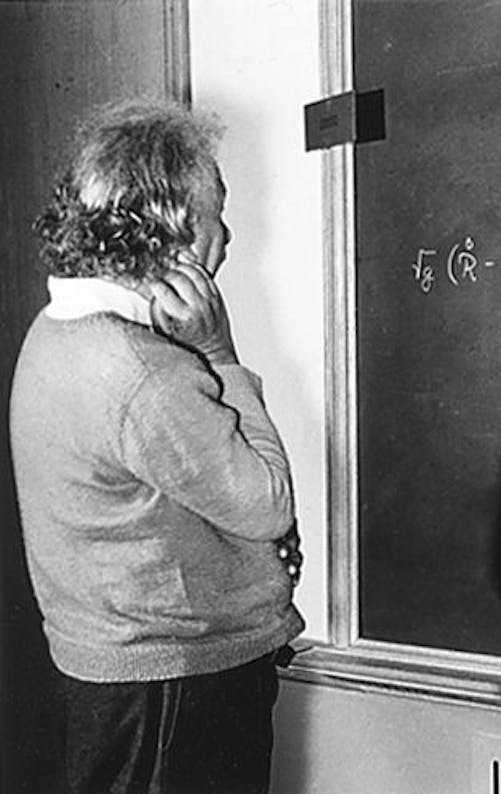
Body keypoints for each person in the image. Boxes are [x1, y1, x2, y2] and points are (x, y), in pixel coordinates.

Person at [9, 100, 304, 794]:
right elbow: (269, 503)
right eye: (216, 214)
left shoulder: (57, 331)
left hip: (123, 684)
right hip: (174, 688)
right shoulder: (143, 373)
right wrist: (220, 354)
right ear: (174, 232)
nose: (227, 235)